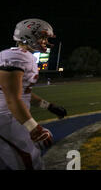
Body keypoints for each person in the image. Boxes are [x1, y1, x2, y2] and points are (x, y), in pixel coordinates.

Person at [0, 19, 67, 170]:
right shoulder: (16, 57)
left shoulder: (22, 56)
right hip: (5, 118)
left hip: (8, 116)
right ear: (28, 37)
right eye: (42, 37)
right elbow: (12, 99)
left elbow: (23, 94)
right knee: (31, 161)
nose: (45, 41)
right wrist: (34, 128)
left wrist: (49, 106)